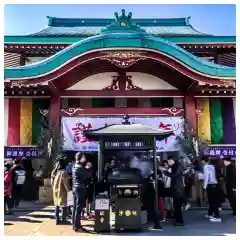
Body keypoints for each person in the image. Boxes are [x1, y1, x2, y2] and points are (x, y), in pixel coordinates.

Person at [72, 153, 92, 232]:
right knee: (79, 208)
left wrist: (86, 168)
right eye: (83, 157)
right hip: (80, 189)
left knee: (75, 207)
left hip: (75, 188)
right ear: (80, 158)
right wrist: (89, 167)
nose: (85, 159)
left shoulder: (75, 166)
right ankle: (78, 226)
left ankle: (74, 225)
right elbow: (89, 174)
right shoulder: (80, 168)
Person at [162, 156, 185, 226]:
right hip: (176, 187)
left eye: (169, 162)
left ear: (172, 160)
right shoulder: (175, 166)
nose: (168, 163)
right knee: (175, 204)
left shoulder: (178, 166)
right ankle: (177, 217)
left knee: (177, 205)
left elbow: (175, 175)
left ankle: (180, 221)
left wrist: (166, 173)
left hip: (178, 188)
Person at [51, 155, 71, 225]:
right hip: (62, 191)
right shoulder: (64, 173)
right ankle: (64, 219)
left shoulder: (54, 172)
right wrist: (69, 191)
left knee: (57, 204)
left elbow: (52, 183)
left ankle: (57, 219)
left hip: (55, 191)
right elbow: (66, 184)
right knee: (64, 206)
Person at [201, 157, 221, 222]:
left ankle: (217, 216)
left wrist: (204, 187)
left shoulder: (206, 167)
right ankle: (210, 214)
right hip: (216, 185)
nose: (201, 162)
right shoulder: (213, 166)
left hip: (210, 185)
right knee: (213, 201)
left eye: (202, 161)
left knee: (212, 201)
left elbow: (206, 177)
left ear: (203, 161)